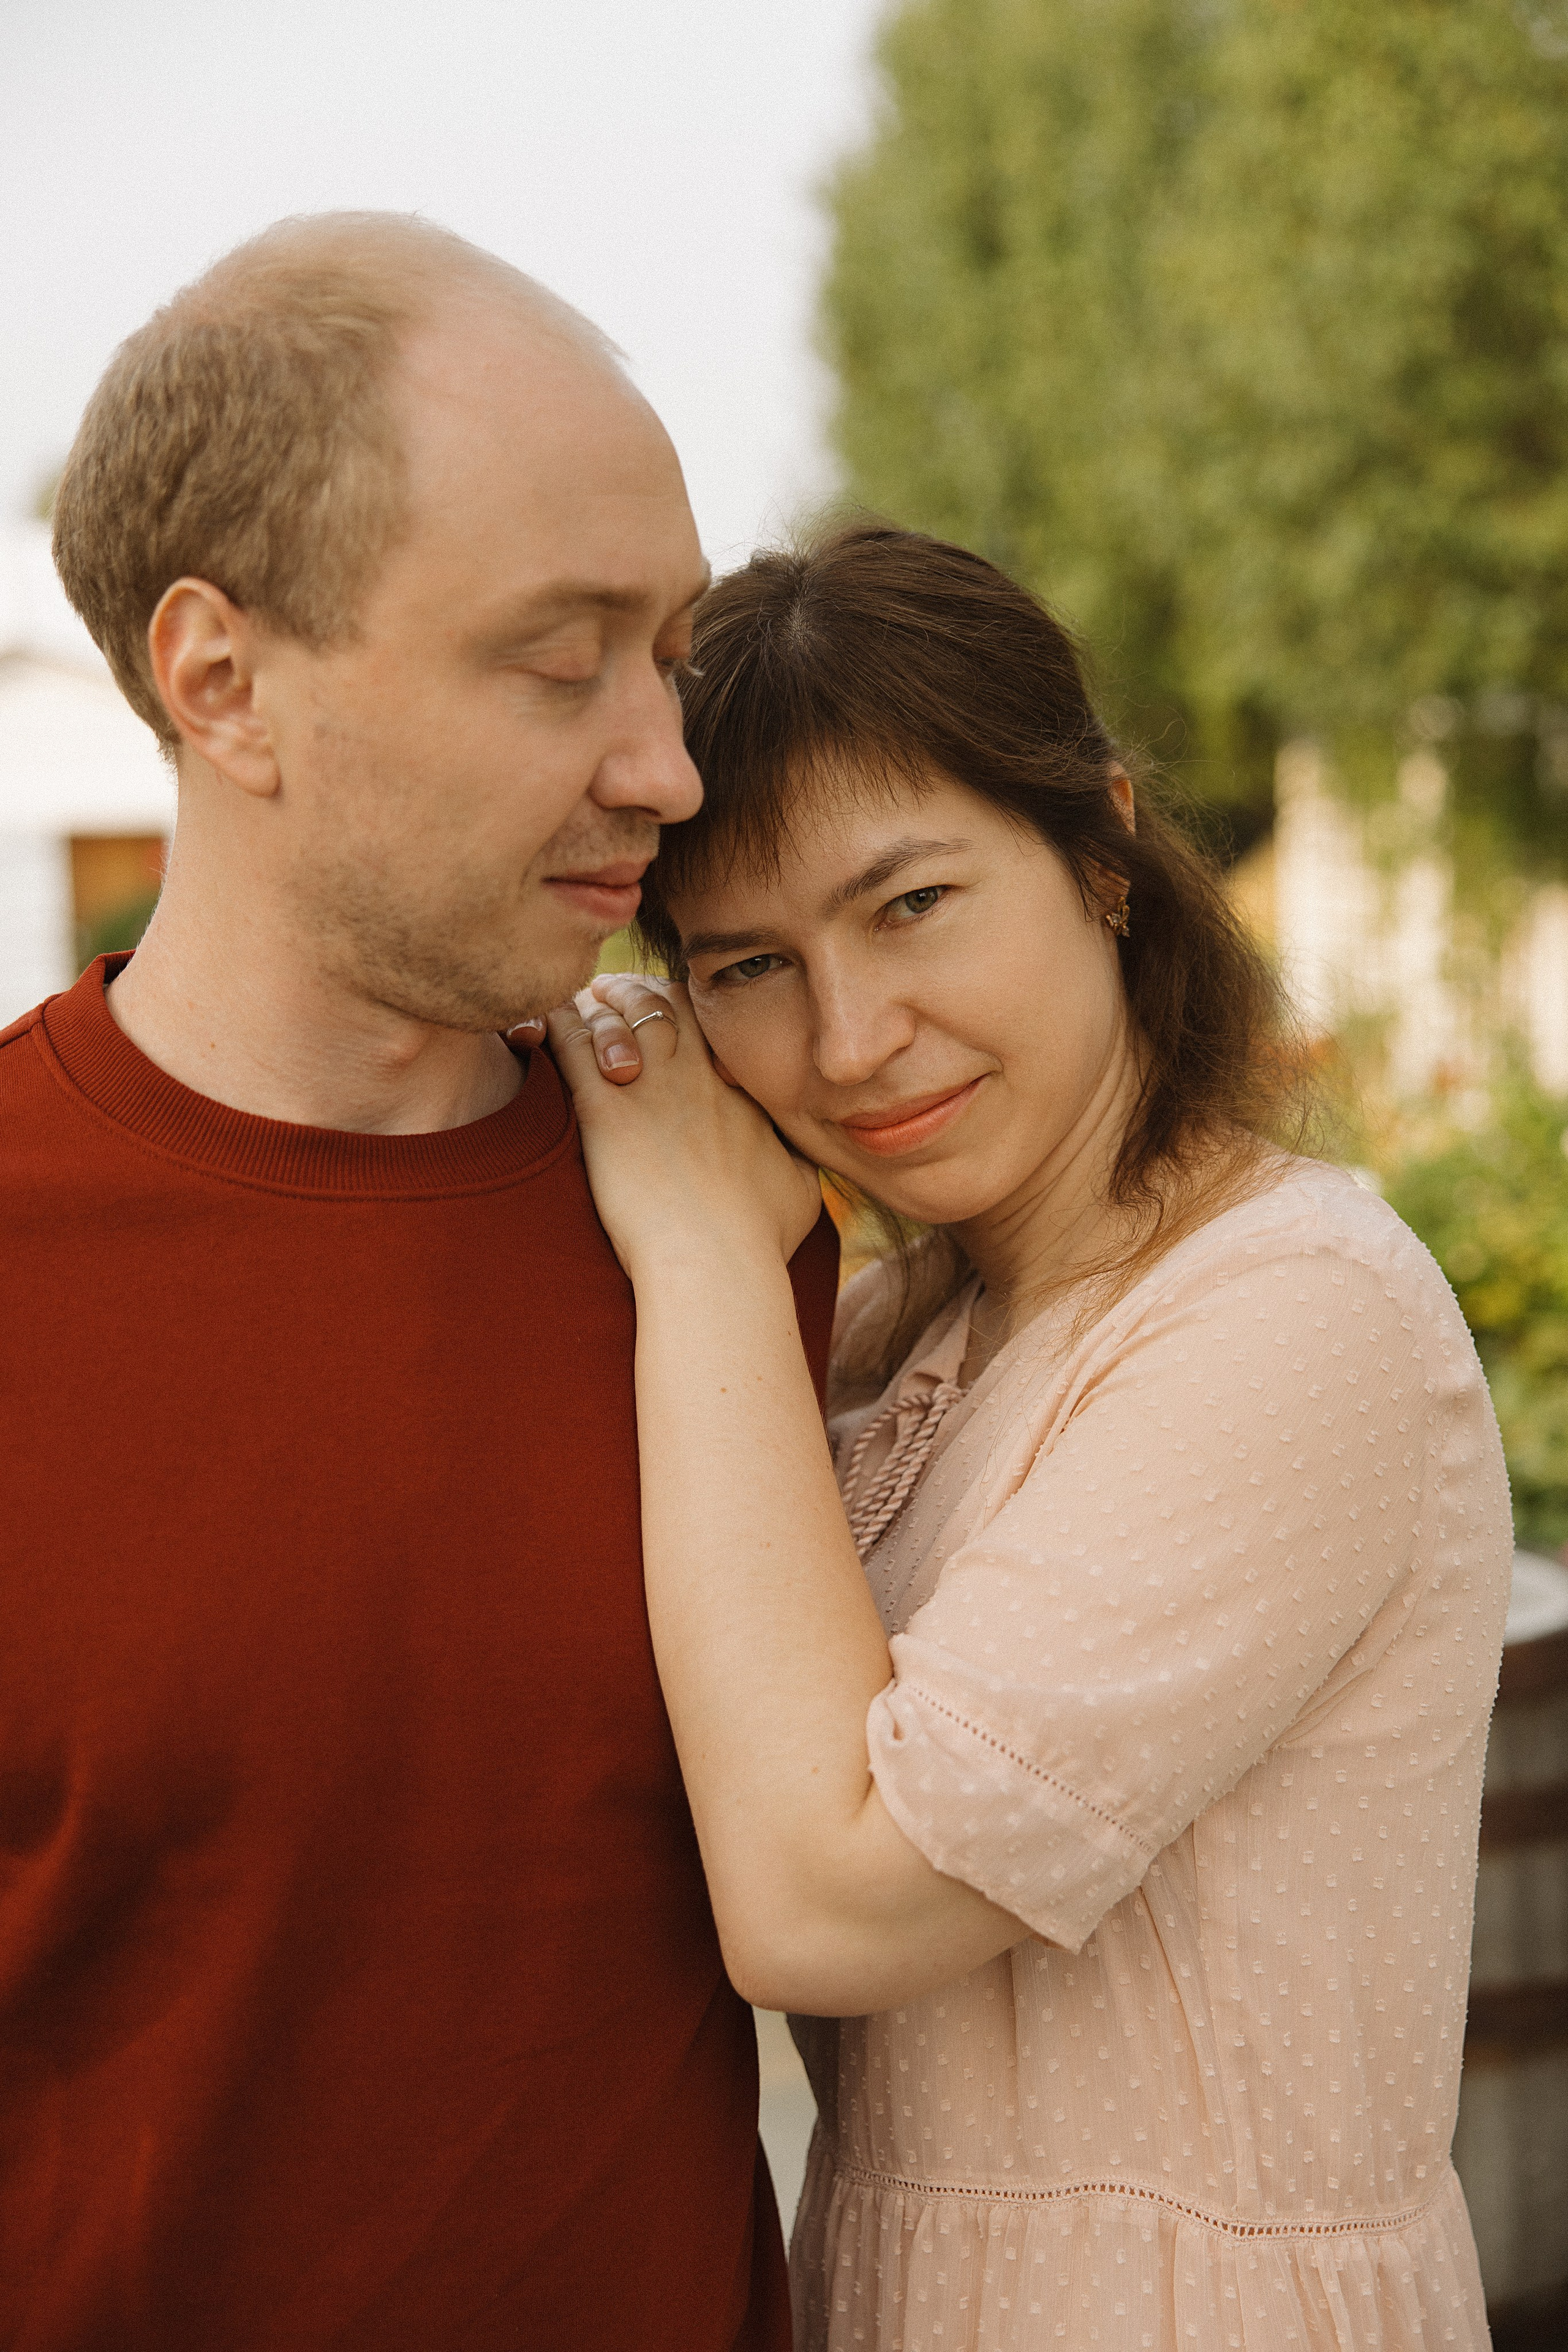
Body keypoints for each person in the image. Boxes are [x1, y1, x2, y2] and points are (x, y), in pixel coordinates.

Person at [0, 213, 837, 2351]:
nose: (668, 767)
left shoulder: (737, 1216)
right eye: (561, 663)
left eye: (672, 655)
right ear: (223, 684)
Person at [549, 521, 1512, 2352]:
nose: (853, 1040)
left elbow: (829, 1908)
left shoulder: (1293, 1313)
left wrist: (698, 1252)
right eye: (747, 967)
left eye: (912, 905)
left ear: (1103, 857)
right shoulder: (916, 1330)